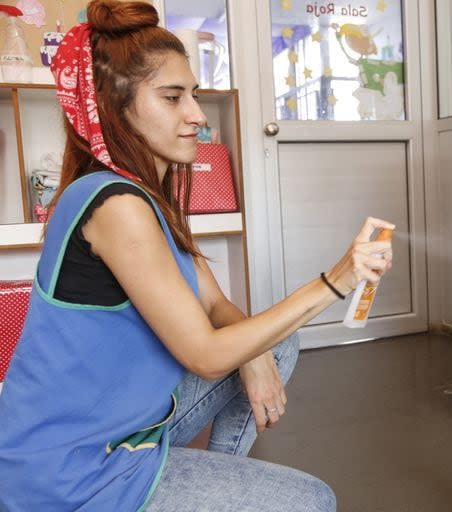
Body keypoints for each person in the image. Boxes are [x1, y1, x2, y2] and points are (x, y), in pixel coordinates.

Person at [0, 1, 394, 510]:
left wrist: (253, 356)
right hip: (69, 471)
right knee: (313, 501)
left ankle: (222, 487)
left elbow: (214, 305)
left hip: (125, 432)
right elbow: (205, 356)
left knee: (275, 347)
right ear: (113, 106)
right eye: (172, 98)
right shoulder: (114, 203)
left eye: (194, 95)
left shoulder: (147, 199)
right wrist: (335, 281)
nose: (196, 115)